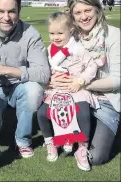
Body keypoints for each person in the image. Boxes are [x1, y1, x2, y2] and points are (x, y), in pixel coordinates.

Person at [49, 0, 120, 165]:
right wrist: (53, 80)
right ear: (72, 16)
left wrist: (81, 83)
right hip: (76, 96)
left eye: (87, 10)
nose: (84, 17)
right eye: (78, 12)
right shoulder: (70, 37)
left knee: (95, 158)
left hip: (106, 100)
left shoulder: (113, 35)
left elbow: (118, 80)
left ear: (97, 9)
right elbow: (52, 62)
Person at [0, 0, 51, 158]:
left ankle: (23, 140)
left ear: (19, 10)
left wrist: (2, 69)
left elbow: (43, 73)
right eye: (0, 11)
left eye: (12, 11)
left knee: (34, 91)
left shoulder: (31, 34)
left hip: (19, 89)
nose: (6, 17)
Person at [37, 12, 101, 171]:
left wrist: (80, 80)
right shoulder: (49, 49)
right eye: (52, 33)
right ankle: (50, 142)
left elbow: (92, 66)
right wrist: (49, 81)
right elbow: (45, 70)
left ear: (70, 30)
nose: (55, 37)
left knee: (83, 113)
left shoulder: (77, 48)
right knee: (42, 113)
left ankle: (81, 147)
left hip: (75, 88)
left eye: (60, 33)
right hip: (56, 90)